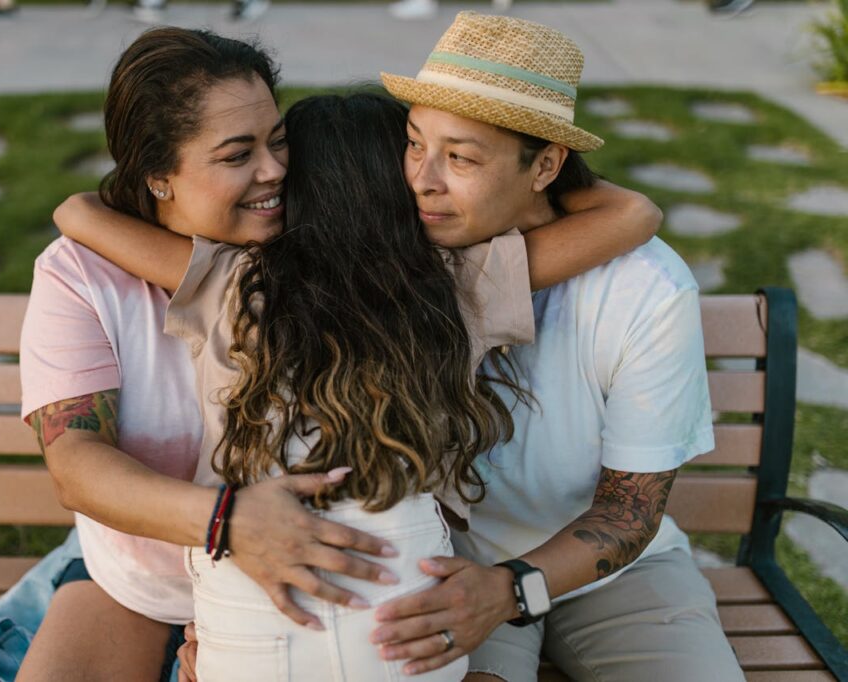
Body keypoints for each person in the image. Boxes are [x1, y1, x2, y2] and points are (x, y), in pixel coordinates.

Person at [51, 83, 657, 679]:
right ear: (399, 185)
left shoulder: (227, 279)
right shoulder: (463, 284)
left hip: (251, 606)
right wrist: (544, 162)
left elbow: (76, 212)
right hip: (406, 621)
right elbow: (634, 214)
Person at [356, 12, 745, 682]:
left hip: (612, 575)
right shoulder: (390, 247)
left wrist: (511, 589)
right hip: (441, 563)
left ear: (546, 165)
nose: (423, 179)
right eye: (416, 143)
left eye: (463, 157)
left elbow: (629, 513)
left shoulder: (645, 285)